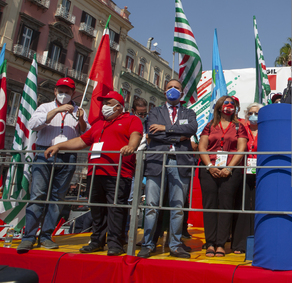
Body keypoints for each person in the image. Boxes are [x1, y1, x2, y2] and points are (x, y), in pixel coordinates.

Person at [44, 91, 143, 256]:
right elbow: (81, 141)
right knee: (96, 209)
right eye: (103, 102)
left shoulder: (131, 119)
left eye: (108, 103)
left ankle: (115, 243)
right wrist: (59, 146)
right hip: (95, 172)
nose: (104, 106)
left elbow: (136, 134)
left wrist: (131, 146)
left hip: (118, 173)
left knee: (116, 209)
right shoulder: (98, 124)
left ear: (118, 106)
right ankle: (97, 241)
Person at [18, 78, 89, 251]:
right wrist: (57, 110)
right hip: (45, 153)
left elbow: (86, 134)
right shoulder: (45, 107)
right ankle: (28, 236)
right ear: (55, 91)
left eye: (68, 91)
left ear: (73, 93)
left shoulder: (79, 110)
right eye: (61, 90)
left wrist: (80, 120)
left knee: (58, 198)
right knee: (37, 195)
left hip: (68, 156)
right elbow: (33, 125)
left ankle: (46, 236)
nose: (64, 94)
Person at [138, 79, 198, 259]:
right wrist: (178, 136)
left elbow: (191, 128)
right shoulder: (155, 111)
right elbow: (152, 132)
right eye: (170, 88)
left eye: (177, 88)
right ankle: (148, 244)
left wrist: (166, 129)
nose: (173, 90)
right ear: (164, 92)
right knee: (151, 206)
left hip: (179, 163)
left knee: (178, 207)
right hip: (157, 161)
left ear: (182, 93)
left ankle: (175, 244)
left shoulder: (189, 112)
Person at [198, 96, 248, 257]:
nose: (229, 106)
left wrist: (229, 167)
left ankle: (221, 243)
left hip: (230, 171)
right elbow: (202, 147)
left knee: (226, 206)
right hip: (209, 170)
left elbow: (241, 148)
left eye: (232, 104)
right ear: (219, 107)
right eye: (226, 103)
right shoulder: (209, 126)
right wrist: (210, 166)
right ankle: (210, 243)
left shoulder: (239, 126)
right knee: (210, 205)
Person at [232, 102, 263, 254]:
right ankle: (240, 243)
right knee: (242, 206)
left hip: (261, 173)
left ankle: (258, 241)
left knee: (258, 206)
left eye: (257, 113)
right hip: (243, 171)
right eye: (251, 113)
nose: (253, 116)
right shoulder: (241, 130)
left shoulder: (267, 130)